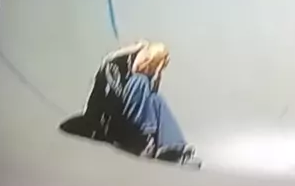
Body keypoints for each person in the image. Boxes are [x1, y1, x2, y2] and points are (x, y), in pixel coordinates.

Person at [60, 40, 200, 167]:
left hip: (130, 122)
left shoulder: (140, 77)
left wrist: (157, 77)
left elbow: (149, 99)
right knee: (140, 81)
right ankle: (143, 139)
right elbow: (111, 95)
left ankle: (172, 148)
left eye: (151, 67)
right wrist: (131, 50)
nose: (147, 69)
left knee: (157, 99)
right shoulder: (114, 66)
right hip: (111, 123)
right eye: (147, 63)